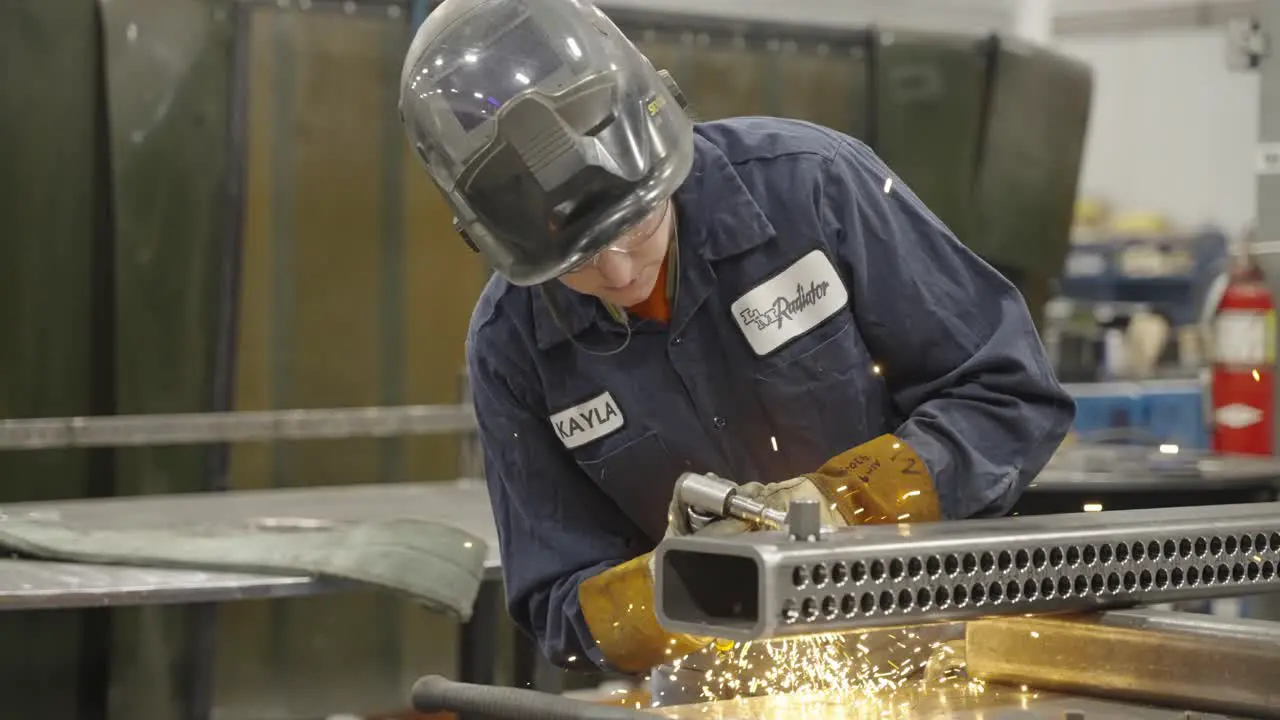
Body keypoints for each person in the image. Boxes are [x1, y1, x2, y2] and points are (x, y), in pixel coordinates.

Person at [399, 0, 1076, 677]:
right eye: (577, 261)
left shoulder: (815, 188)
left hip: (940, 653)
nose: (620, 270)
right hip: (728, 688)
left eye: (634, 225)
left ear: (662, 138)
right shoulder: (511, 346)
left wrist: (848, 503)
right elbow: (560, 606)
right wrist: (685, 584)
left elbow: (1008, 397)